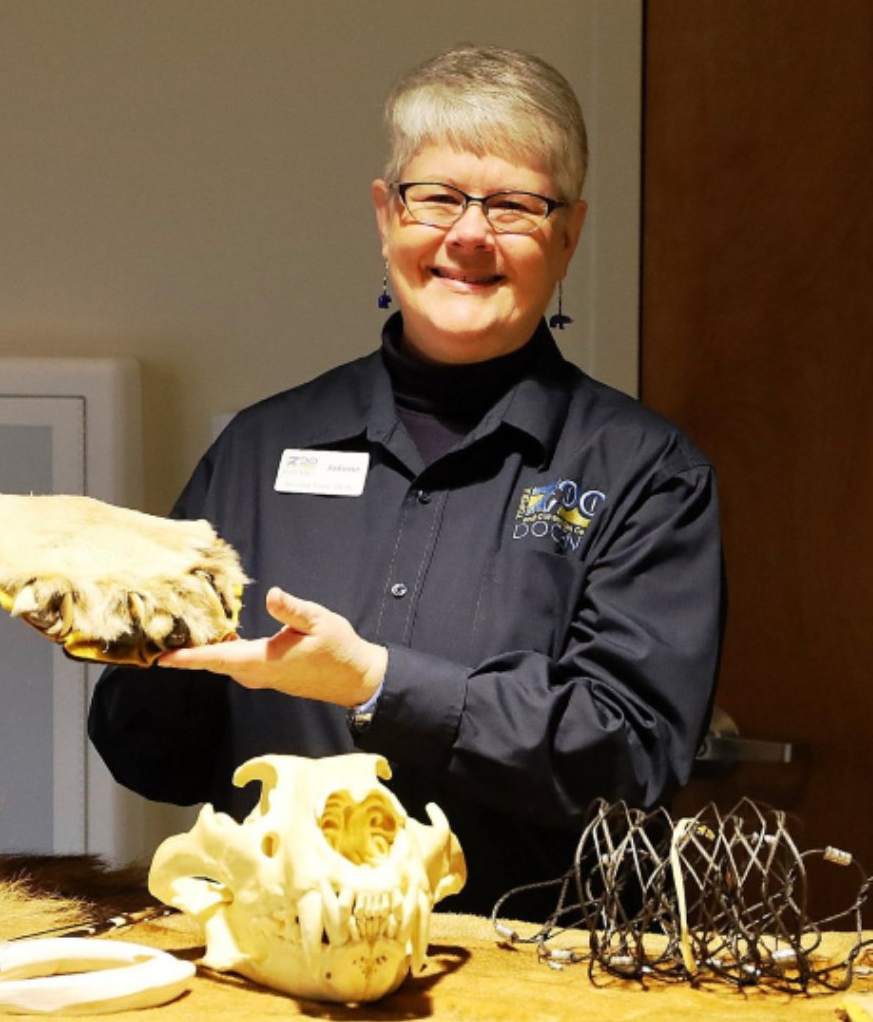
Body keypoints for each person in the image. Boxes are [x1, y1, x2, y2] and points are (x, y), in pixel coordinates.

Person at [89, 45, 724, 918]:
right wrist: (126, 637)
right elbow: (154, 763)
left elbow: (632, 758)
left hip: (523, 976)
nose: (468, 234)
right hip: (274, 968)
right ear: (387, 215)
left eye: (514, 205)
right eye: (437, 197)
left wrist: (378, 683)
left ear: (569, 235)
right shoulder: (263, 446)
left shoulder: (646, 472)